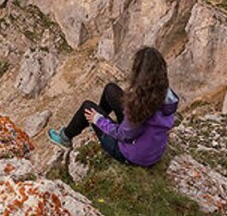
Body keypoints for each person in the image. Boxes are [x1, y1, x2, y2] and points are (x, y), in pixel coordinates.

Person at [47, 46, 179, 167]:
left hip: (132, 155)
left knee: (87, 107)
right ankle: (95, 123)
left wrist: (98, 120)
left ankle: (65, 138)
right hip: (151, 150)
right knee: (111, 89)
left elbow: (123, 135)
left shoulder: (140, 106)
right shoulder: (164, 94)